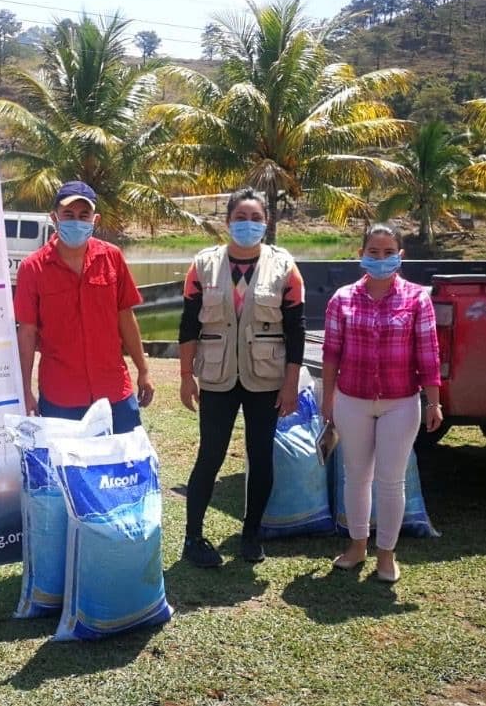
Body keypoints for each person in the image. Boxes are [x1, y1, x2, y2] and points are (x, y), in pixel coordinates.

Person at [178, 188, 305, 567]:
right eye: (240, 217)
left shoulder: (285, 267)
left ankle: (252, 535)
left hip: (264, 378)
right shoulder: (202, 265)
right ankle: (193, 538)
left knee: (261, 455)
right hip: (217, 378)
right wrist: (186, 376)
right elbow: (187, 326)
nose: (248, 225)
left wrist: (291, 383)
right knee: (210, 455)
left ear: (265, 222)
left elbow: (296, 330)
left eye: (255, 218)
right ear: (227, 221)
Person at [322, 224, 441, 584]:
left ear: (400, 256)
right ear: (361, 254)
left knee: (391, 482)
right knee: (356, 477)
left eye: (388, 252)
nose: (380, 259)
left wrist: (433, 402)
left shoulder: (418, 298)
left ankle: (386, 555)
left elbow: (429, 354)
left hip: (401, 403)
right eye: (373, 252)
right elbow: (330, 355)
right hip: (352, 401)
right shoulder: (342, 299)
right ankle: (358, 546)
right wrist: (328, 399)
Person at [13, 180, 153, 434]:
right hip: (61, 396)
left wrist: (143, 371)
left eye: (83, 215)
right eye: (68, 214)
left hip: (114, 392)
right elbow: (27, 332)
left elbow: (126, 317)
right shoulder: (32, 269)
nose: (76, 221)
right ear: (54, 217)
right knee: (68, 470)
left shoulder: (112, 257)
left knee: (123, 467)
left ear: (94, 219)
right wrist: (24, 390)